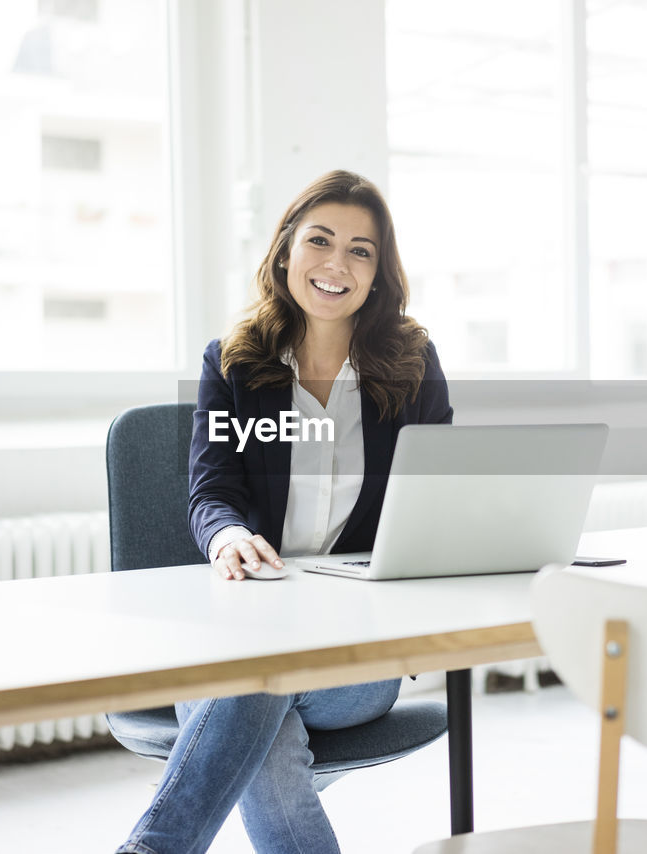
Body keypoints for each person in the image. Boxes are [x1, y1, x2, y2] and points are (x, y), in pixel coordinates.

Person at [115, 170, 452, 854]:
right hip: (239, 631)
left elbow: (436, 498)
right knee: (258, 701)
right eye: (319, 240)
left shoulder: (411, 366)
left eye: (361, 250)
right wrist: (228, 535)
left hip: (353, 655)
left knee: (248, 688)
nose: (337, 263)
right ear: (284, 253)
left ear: (380, 271)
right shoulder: (235, 363)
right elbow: (210, 490)